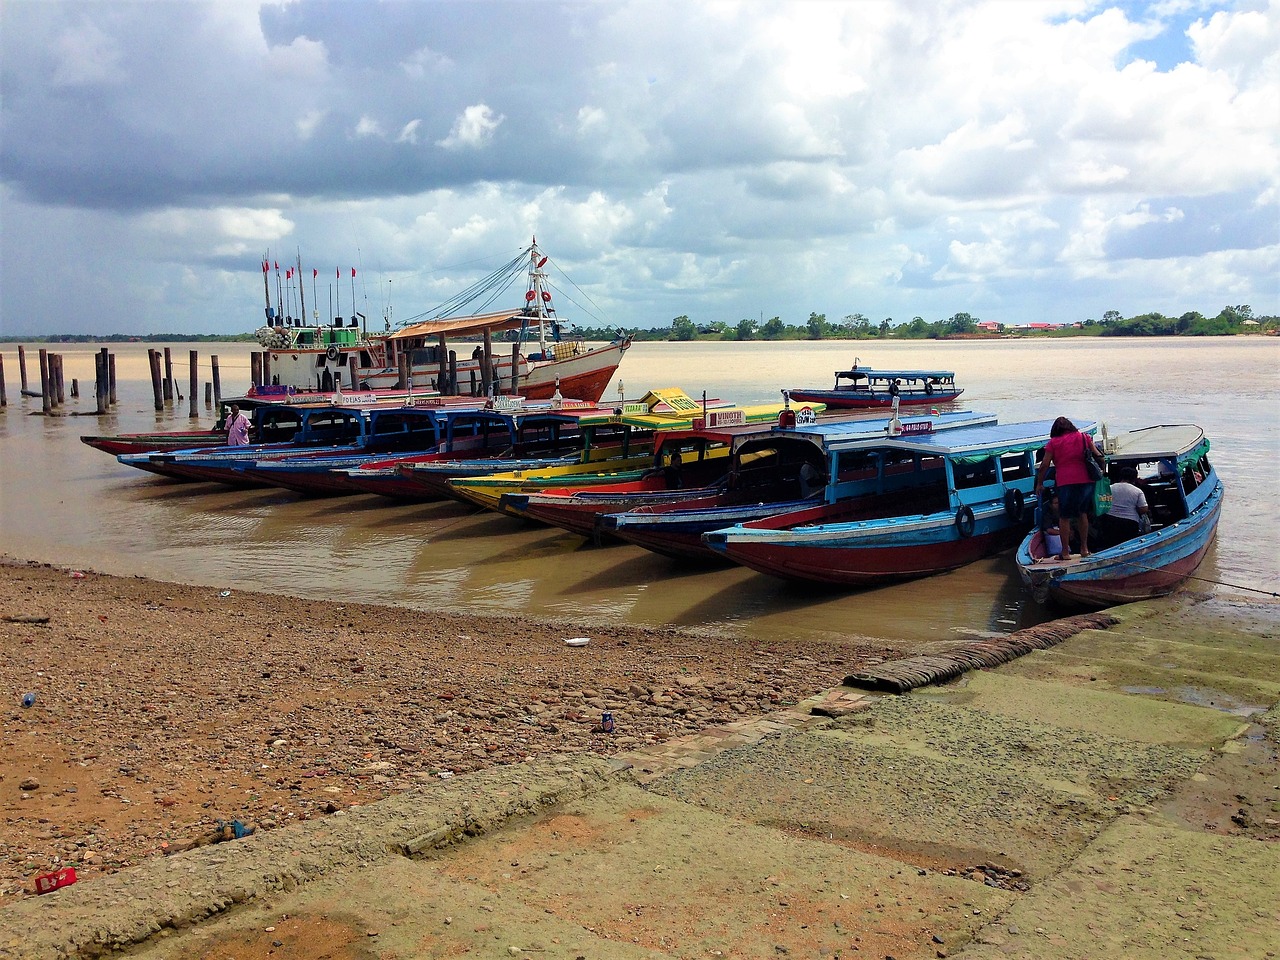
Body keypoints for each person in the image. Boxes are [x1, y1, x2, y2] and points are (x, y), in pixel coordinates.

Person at [1034, 417, 1102, 560]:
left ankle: (1065, 553)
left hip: (1065, 481)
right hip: (1085, 480)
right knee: (1082, 513)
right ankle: (1084, 549)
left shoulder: (1053, 443)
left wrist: (1040, 483)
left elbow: (1044, 465)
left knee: (1064, 517)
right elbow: (1098, 455)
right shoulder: (1084, 437)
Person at [1100, 466, 1149, 547]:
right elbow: (1143, 509)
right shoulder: (1137, 491)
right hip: (1129, 523)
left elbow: (1103, 504)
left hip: (1109, 521)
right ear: (1134, 478)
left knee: (1111, 545)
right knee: (1128, 545)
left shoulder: (1109, 488)